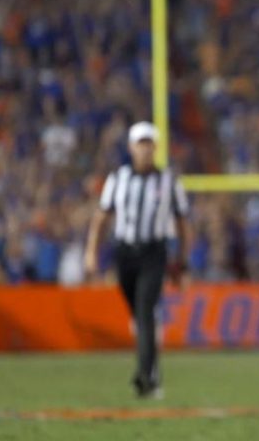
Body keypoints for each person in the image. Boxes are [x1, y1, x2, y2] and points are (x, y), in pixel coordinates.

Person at [84, 122, 191, 398]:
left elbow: (182, 223)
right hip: (124, 253)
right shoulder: (118, 179)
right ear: (131, 147)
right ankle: (151, 356)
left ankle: (145, 376)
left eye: (149, 143)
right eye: (140, 144)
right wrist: (91, 251)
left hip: (154, 252)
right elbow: (102, 217)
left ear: (155, 147)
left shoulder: (169, 181)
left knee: (144, 311)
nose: (145, 149)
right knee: (139, 315)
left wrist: (182, 261)